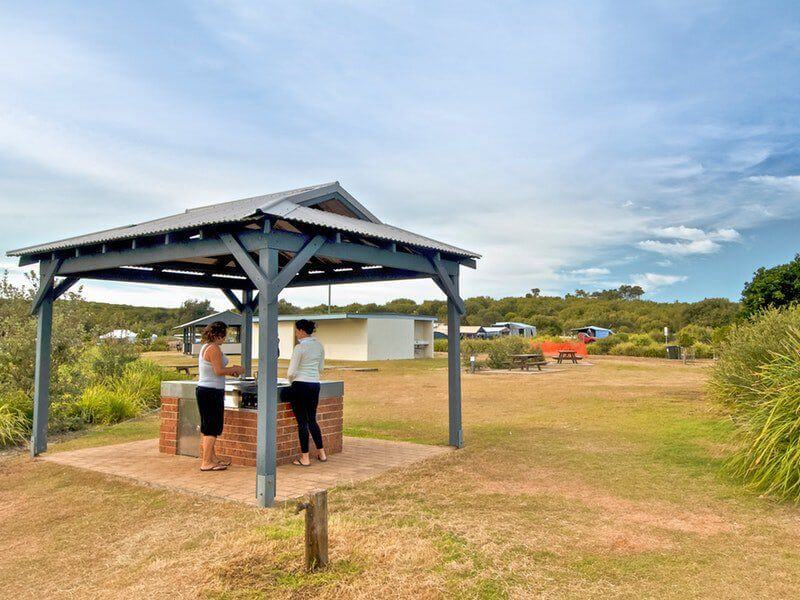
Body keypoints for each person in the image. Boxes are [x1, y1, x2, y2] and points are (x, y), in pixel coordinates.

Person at [196, 321, 242, 471]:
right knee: (212, 428)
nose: (225, 338)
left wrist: (230, 371)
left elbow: (216, 369)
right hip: (211, 392)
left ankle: (212, 458)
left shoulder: (206, 347)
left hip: (206, 390)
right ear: (217, 335)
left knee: (209, 426)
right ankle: (206, 462)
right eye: (223, 335)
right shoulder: (213, 348)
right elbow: (218, 371)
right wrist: (235, 369)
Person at [286, 319, 327, 466]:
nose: (296, 333)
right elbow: (321, 368)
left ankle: (305, 458)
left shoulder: (299, 348)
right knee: (312, 420)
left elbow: (291, 372)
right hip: (314, 385)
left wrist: (292, 382)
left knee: (302, 422)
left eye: (297, 330)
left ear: (302, 331)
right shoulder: (319, 346)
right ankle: (322, 453)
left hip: (300, 385)